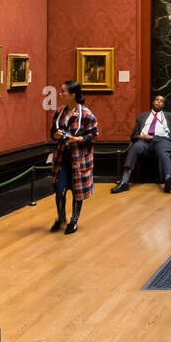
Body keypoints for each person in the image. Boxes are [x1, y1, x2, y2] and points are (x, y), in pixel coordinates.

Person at [111, 94, 171, 194]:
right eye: (157, 100)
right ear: (153, 102)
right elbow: (134, 135)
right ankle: (124, 182)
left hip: (162, 140)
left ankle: (168, 181)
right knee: (135, 148)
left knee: (163, 152)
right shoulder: (142, 116)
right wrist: (143, 137)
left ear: (164, 105)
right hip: (144, 141)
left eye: (161, 101)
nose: (159, 102)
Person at [50, 81, 97, 234]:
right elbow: (52, 132)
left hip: (79, 158)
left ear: (72, 95)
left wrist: (77, 139)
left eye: (63, 91)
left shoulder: (86, 114)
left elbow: (93, 135)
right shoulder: (59, 112)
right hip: (62, 157)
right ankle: (61, 218)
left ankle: (74, 221)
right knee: (60, 189)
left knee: (77, 190)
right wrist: (56, 135)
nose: (60, 94)